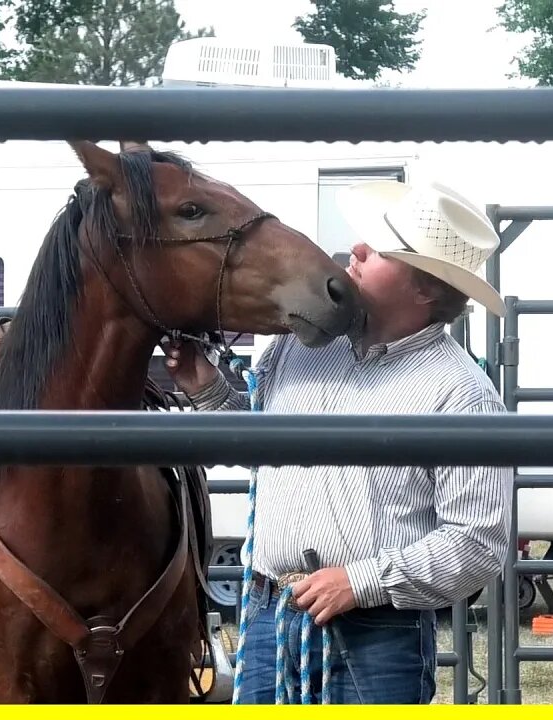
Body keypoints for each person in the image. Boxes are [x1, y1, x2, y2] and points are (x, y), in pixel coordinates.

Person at [165, 179, 514, 704]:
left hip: (375, 632)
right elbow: (263, 449)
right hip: (269, 615)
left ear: (425, 288)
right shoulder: (302, 346)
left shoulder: (461, 395)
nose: (355, 250)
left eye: (378, 251)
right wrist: (208, 389)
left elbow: (478, 542)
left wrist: (359, 582)